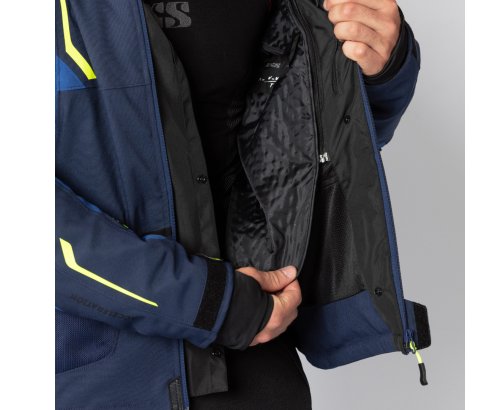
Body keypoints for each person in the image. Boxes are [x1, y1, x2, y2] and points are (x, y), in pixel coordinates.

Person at [56, 0, 424, 409]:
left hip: (260, 362)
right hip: (109, 380)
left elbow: (310, 147)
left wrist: (383, 66)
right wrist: (211, 302)